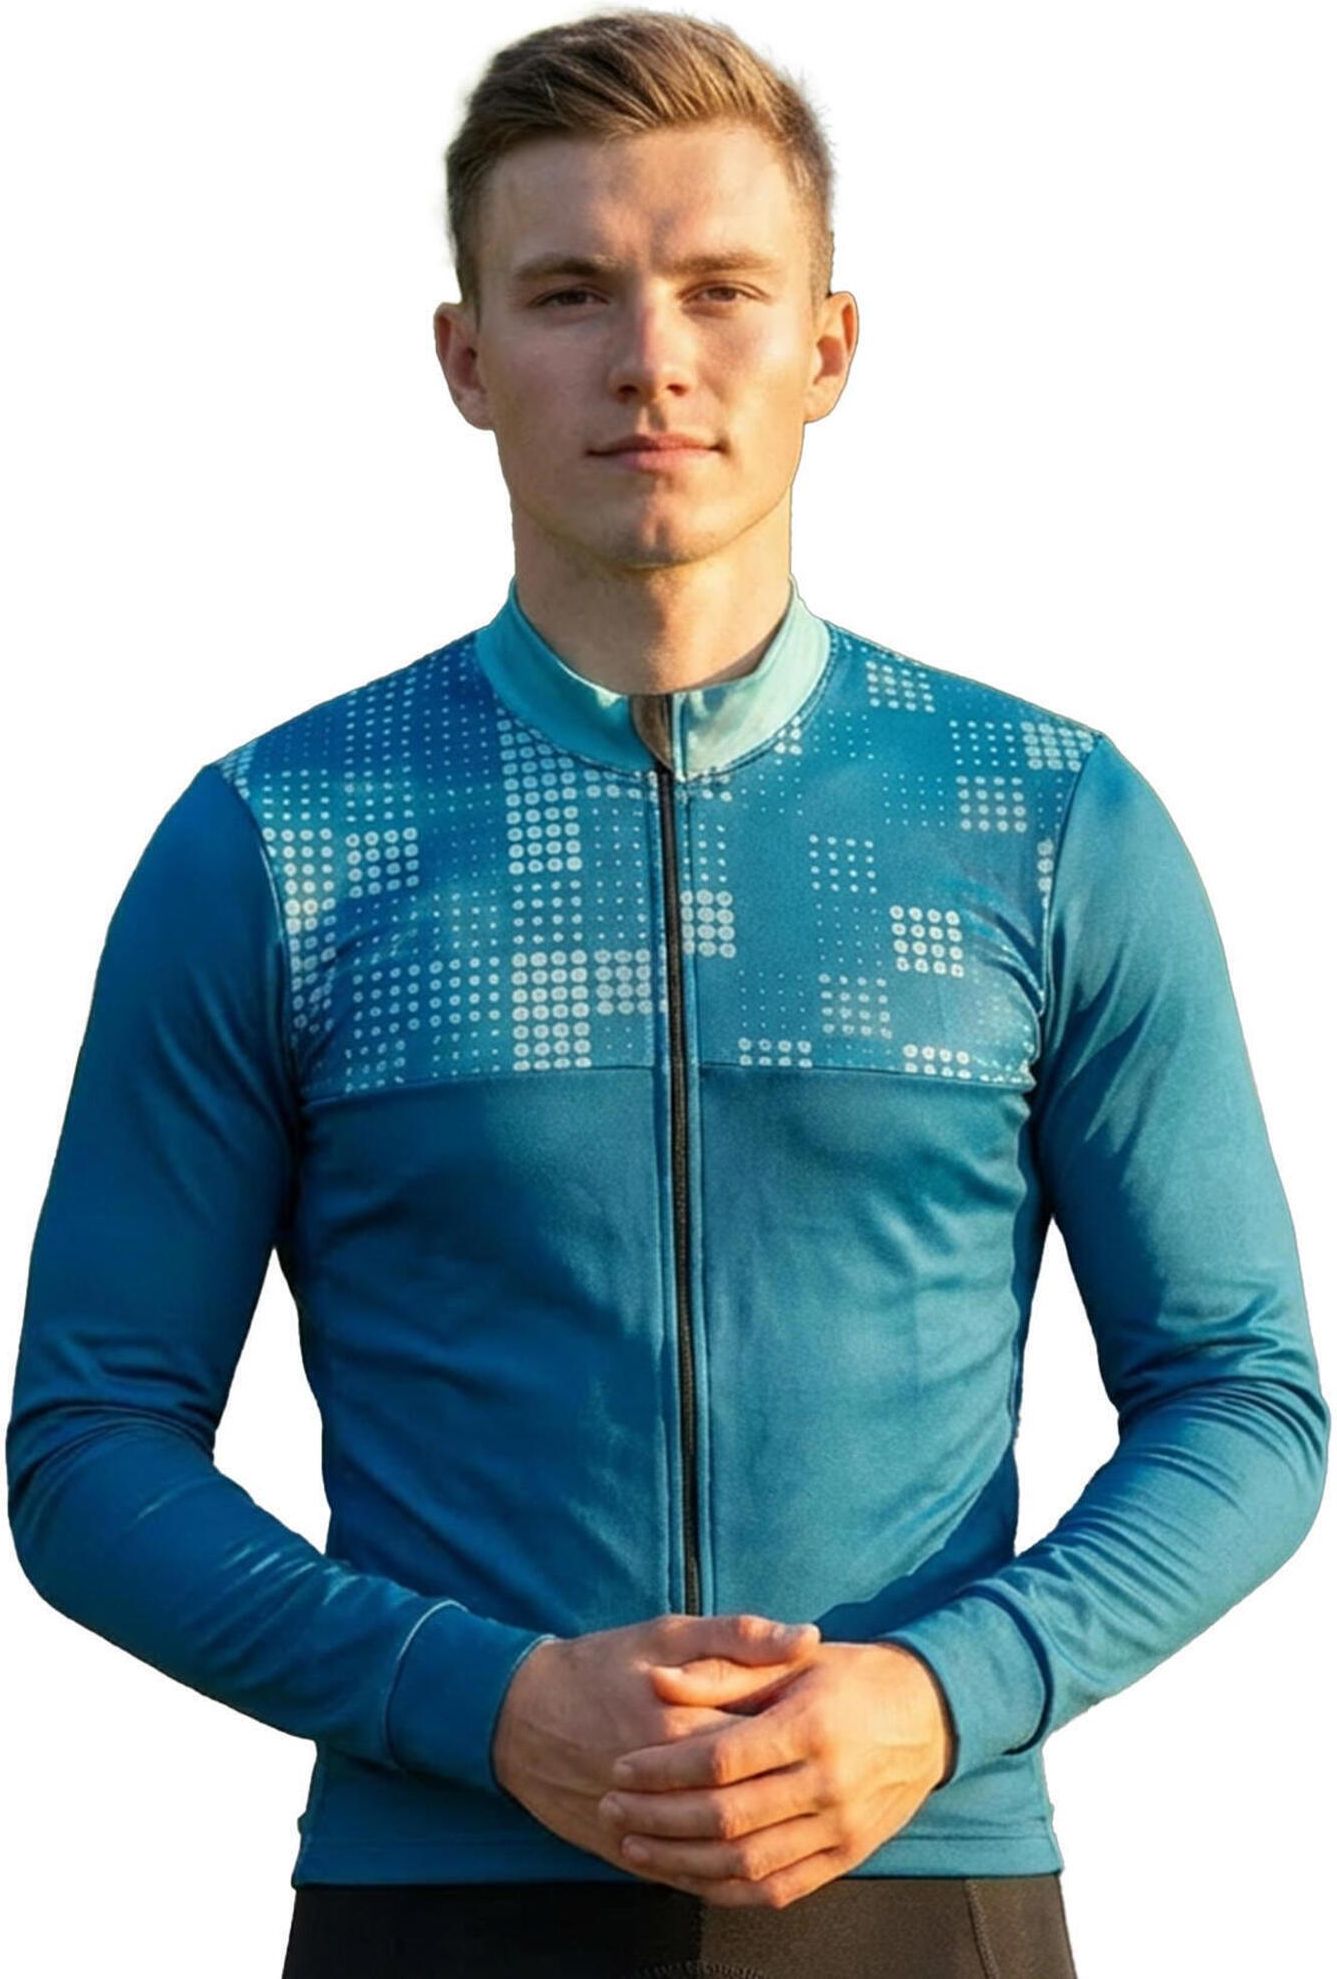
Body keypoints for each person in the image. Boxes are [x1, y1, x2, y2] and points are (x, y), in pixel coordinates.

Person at [6, 10, 1327, 1978]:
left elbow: (1244, 1401)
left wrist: (945, 1694)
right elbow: (89, 1444)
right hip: (434, 1899)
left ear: (829, 347)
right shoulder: (279, 841)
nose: (651, 356)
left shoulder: (1047, 822)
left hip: (927, 1890)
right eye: (570, 292)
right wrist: (481, 1704)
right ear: (466, 358)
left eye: (721, 288)